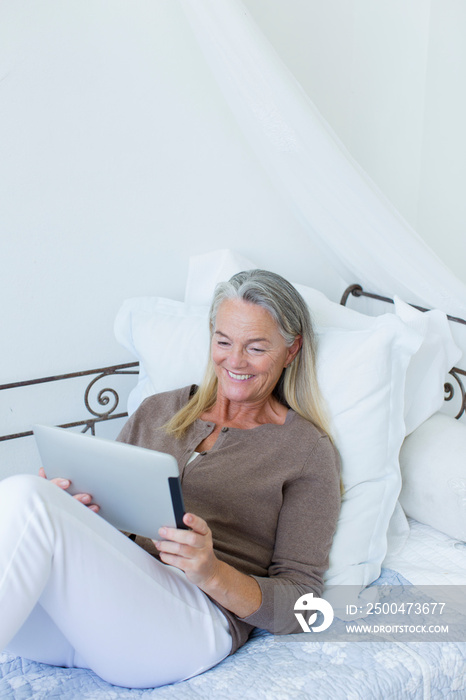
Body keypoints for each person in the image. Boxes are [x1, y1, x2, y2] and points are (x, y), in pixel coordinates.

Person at [0, 269, 341, 689]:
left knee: (24, 497)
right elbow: (112, 536)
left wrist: (213, 573)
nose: (234, 361)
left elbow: (305, 605)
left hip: (188, 627)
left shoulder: (306, 451)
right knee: (26, 499)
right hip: (94, 624)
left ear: (291, 351)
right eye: (223, 341)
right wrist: (77, 513)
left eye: (255, 348)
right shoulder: (158, 410)